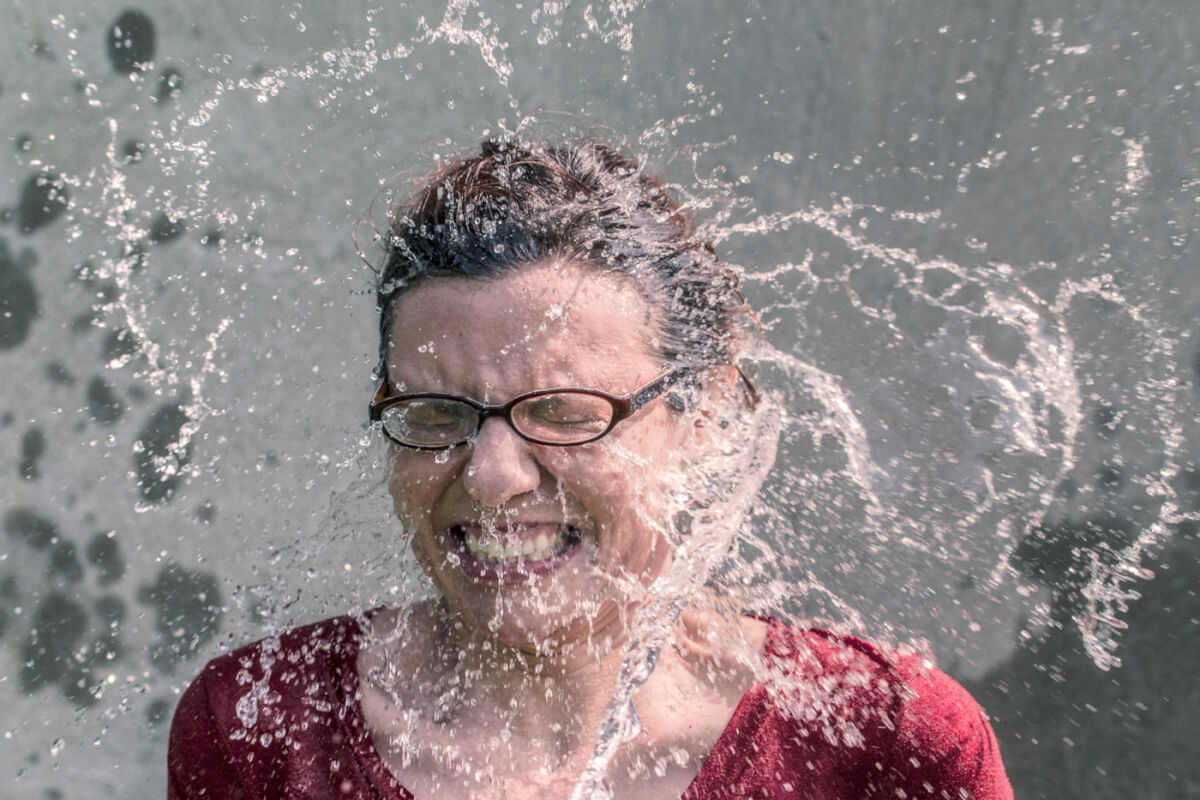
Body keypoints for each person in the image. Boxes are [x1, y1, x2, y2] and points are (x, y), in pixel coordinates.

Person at [168, 138, 1012, 799]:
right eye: (435, 417)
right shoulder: (259, 726)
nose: (492, 476)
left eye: (565, 413)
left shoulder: (886, 741)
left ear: (706, 415)